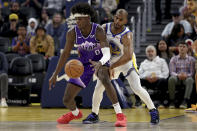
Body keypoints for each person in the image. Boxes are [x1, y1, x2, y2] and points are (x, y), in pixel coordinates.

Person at [48, 3, 127, 127]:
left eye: (79, 19)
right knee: (67, 99)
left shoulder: (98, 30)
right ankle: (75, 113)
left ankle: (120, 115)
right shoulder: (72, 33)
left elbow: (107, 53)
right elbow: (65, 55)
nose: (77, 21)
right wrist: (55, 74)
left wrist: (100, 63)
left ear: (88, 18)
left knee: (105, 78)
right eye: (76, 19)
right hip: (84, 65)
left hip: (101, 61)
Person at [83, 9, 159, 125]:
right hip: (111, 61)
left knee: (136, 88)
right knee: (98, 87)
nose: (117, 21)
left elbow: (128, 56)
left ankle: (153, 110)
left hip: (125, 62)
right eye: (116, 18)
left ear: (126, 21)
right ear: (114, 17)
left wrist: (112, 66)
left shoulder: (126, 35)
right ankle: (94, 114)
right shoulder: (104, 28)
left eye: (121, 19)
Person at [168, 41, 195, 108]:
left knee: (190, 80)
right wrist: (178, 75)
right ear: (178, 48)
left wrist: (186, 75)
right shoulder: (173, 59)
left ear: (187, 49)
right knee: (171, 79)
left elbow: (192, 72)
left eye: (184, 46)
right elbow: (172, 72)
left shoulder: (191, 59)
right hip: (177, 77)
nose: (182, 48)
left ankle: (185, 101)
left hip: (187, 77)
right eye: (180, 46)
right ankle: (172, 101)